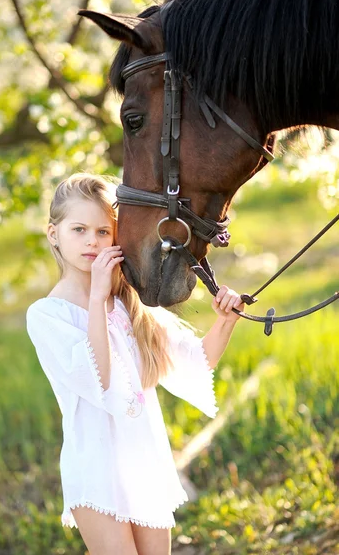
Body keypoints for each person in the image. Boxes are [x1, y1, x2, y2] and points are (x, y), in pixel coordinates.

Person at [26, 172, 245, 555]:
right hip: (95, 471)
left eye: (102, 232)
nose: (92, 242)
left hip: (144, 463)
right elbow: (101, 376)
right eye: (78, 229)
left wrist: (226, 320)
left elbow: (197, 361)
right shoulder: (46, 315)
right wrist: (97, 297)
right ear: (53, 234)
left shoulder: (130, 303)